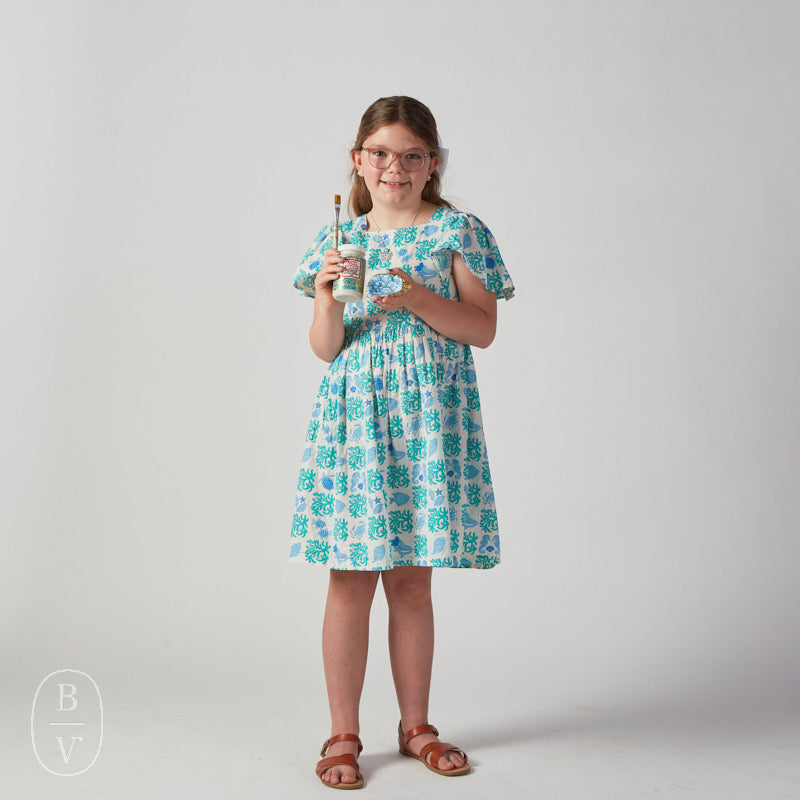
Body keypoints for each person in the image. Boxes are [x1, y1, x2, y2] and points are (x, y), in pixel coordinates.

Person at [290, 96, 515, 789]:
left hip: (428, 421)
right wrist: (329, 297)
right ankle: (343, 732)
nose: (395, 167)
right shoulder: (340, 242)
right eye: (381, 154)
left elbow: (481, 329)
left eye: (412, 155)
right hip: (358, 421)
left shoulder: (458, 232)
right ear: (359, 162)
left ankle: (416, 725)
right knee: (350, 576)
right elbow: (327, 350)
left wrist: (416, 296)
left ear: (433, 165)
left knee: (413, 577)